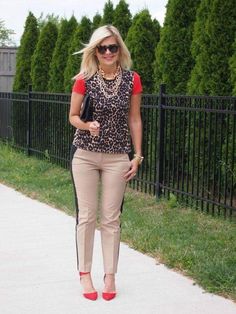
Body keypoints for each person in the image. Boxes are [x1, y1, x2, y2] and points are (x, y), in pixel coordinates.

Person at [69, 25, 143, 301]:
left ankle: (110, 274)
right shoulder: (83, 79)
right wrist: (87, 125)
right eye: (103, 48)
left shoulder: (132, 80)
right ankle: (85, 273)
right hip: (85, 155)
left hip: (117, 157)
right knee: (87, 216)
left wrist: (137, 155)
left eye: (113, 47)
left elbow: (134, 119)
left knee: (111, 218)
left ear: (120, 49)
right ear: (95, 51)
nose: (109, 52)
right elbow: (73, 116)